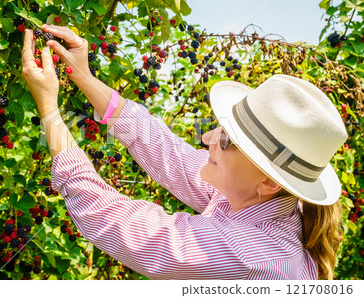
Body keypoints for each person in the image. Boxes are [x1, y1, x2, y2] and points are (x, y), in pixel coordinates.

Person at [21, 25, 347, 280]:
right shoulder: (261, 200)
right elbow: (166, 150)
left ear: (270, 182)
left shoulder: (251, 256)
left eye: (227, 140)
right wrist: (82, 75)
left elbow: (117, 221)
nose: (207, 137)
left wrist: (49, 109)